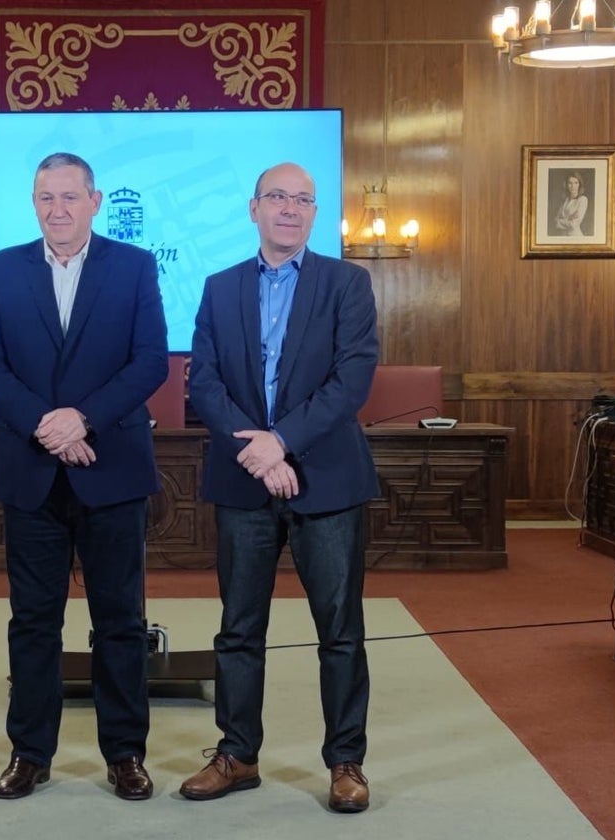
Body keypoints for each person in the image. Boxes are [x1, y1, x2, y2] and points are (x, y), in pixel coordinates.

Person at [0, 152, 168, 801]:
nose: (57, 209)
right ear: (35, 203)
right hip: (31, 473)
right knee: (32, 621)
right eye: (45, 198)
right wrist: (44, 425)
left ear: (95, 200)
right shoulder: (1, 268)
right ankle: (30, 752)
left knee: (120, 621)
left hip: (112, 467)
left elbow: (150, 361)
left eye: (69, 197)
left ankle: (126, 753)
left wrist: (82, 419)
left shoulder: (133, 267)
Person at [179, 162, 379, 814]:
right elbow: (204, 383)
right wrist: (260, 454)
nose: (289, 209)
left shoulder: (348, 283)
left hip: (327, 480)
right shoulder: (218, 287)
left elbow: (351, 380)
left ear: (314, 213)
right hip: (243, 483)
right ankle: (237, 754)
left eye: (302, 200)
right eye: (277, 197)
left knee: (340, 631)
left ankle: (345, 762)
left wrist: (282, 441)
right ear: (253, 208)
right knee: (238, 630)